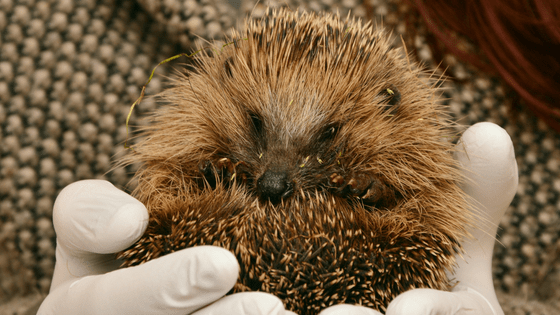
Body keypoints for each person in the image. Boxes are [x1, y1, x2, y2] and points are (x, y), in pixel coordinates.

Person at [37, 122, 518, 315]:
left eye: (325, 136)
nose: (274, 179)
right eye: (258, 128)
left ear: (388, 103)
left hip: (371, 255)